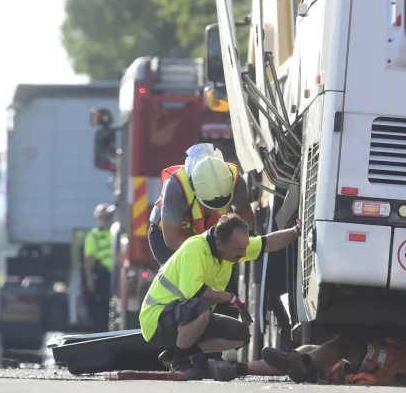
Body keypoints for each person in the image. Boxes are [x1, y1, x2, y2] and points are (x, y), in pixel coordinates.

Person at [139, 214, 300, 380]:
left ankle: (174, 354)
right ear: (219, 245)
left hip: (186, 317)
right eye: (239, 250)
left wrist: (296, 231)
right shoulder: (195, 249)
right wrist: (230, 298)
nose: (244, 253)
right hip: (156, 320)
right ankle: (180, 362)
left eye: (245, 247)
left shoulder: (231, 249)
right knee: (200, 305)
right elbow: (193, 293)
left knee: (240, 335)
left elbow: (268, 243)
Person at [148, 143, 257, 266]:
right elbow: (172, 238)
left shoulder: (234, 177)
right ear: (194, 188)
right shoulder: (176, 186)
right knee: (187, 277)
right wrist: (208, 254)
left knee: (222, 279)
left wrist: (248, 238)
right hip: (168, 236)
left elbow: (244, 211)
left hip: (208, 236)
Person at [247, 335, 406, 386]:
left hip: (380, 369)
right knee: (311, 352)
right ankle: (239, 367)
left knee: (343, 343)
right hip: (383, 369)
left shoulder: (400, 360)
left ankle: (241, 367)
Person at [83, 202, 115, 330]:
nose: (105, 218)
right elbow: (89, 260)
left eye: (107, 214)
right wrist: (90, 278)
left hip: (118, 274)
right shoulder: (94, 235)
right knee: (103, 306)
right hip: (104, 275)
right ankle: (103, 330)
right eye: (102, 215)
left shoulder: (117, 231)